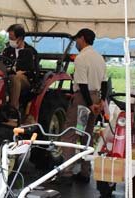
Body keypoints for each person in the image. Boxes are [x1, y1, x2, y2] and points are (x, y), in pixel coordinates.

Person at [59, 28, 108, 185]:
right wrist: (100, 102)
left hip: (83, 99)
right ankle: (85, 172)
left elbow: (82, 84)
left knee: (71, 133)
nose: (76, 43)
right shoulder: (100, 58)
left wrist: (89, 104)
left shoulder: (81, 58)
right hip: (97, 96)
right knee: (86, 134)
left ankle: (66, 173)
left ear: (83, 39)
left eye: (77, 40)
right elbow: (105, 83)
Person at [2, 24, 37, 110]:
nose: (10, 40)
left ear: (20, 38)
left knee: (15, 78)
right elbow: (2, 64)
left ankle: (13, 109)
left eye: (12, 37)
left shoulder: (30, 51)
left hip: (26, 80)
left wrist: (24, 72)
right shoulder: (7, 51)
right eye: (9, 37)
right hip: (7, 76)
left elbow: (34, 70)